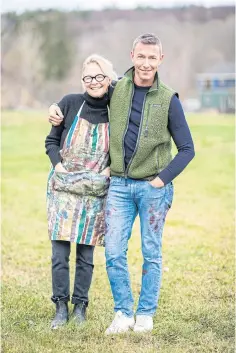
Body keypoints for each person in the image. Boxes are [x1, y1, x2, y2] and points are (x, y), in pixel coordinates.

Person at [48, 33, 195, 334]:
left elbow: (187, 149)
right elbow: (90, 92)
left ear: (160, 60)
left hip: (152, 189)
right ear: (132, 56)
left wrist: (160, 180)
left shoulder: (169, 99)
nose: (145, 63)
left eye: (152, 58)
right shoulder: (119, 89)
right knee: (114, 252)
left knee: (151, 253)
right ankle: (123, 313)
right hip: (118, 187)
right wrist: (55, 108)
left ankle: (145, 315)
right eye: (140, 56)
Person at [45, 54, 116, 329]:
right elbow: (51, 140)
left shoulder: (116, 106)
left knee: (86, 255)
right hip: (63, 189)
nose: (93, 82)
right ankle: (61, 306)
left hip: (94, 191)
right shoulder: (69, 103)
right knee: (59, 253)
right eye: (88, 77)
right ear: (81, 80)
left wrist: (109, 170)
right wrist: (58, 165)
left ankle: (80, 307)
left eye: (99, 76)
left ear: (109, 79)